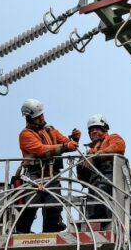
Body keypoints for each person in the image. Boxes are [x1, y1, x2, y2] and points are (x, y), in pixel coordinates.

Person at [14, 98, 81, 233]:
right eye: (38, 117)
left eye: (42, 115)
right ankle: (22, 230)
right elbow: (41, 150)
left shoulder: (50, 130)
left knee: (54, 203)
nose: (42, 118)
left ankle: (51, 229)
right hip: (35, 176)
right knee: (30, 203)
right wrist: (65, 146)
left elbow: (67, 143)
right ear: (29, 118)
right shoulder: (25, 135)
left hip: (51, 175)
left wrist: (74, 140)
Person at [76, 114, 126, 224]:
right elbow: (83, 182)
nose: (93, 132)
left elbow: (119, 146)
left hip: (108, 178)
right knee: (92, 200)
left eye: (97, 128)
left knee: (102, 191)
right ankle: (94, 223)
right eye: (91, 130)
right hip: (94, 185)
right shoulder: (89, 152)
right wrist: (80, 167)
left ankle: (101, 221)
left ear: (104, 128)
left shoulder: (112, 138)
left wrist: (97, 156)